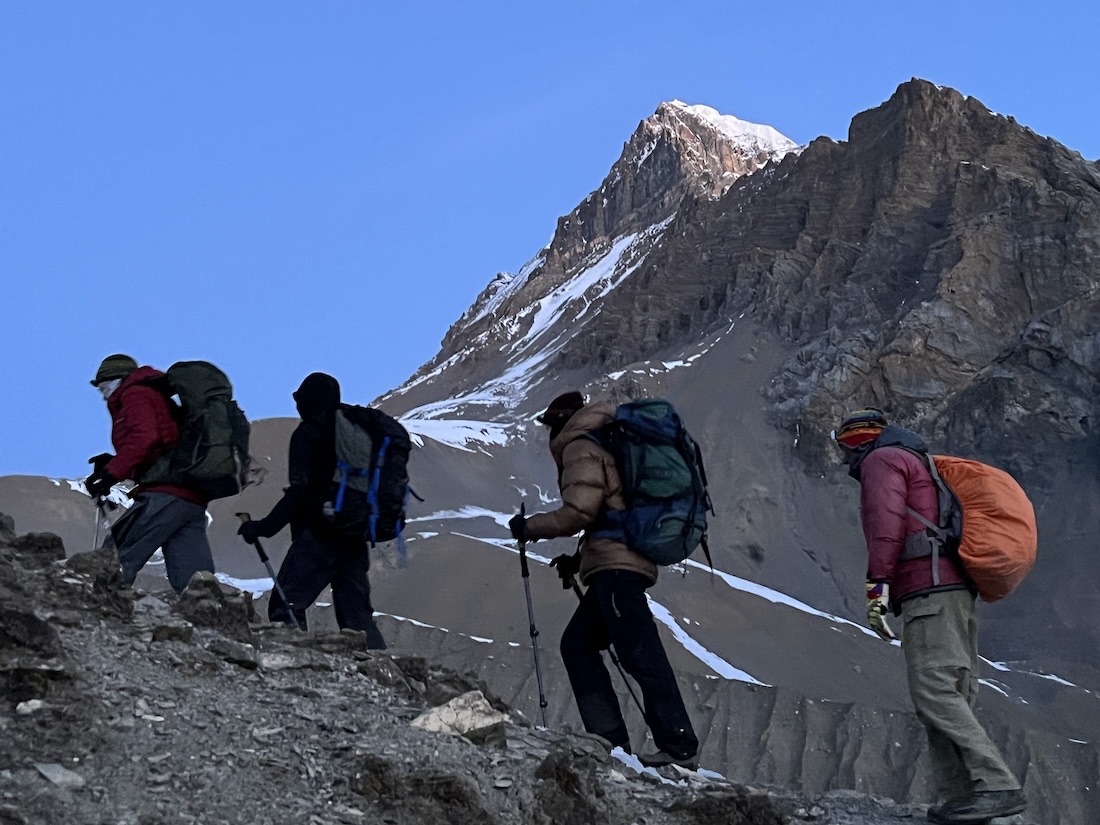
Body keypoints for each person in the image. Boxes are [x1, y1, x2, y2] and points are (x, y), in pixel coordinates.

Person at [834, 408, 1026, 824]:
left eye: (842, 448)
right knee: (948, 692)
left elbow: (885, 524)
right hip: (956, 592)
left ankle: (996, 785)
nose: (842, 459)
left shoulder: (882, 461)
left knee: (933, 690)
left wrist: (877, 587)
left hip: (929, 590)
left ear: (854, 442)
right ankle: (963, 798)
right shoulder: (914, 459)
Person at [509, 391, 699, 769]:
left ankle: (677, 748)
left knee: (639, 653)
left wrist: (530, 528)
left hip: (617, 570)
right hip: (617, 564)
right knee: (578, 645)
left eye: (549, 426)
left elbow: (580, 511)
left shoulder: (580, 444)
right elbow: (608, 512)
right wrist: (578, 560)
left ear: (558, 422)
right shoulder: (603, 438)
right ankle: (611, 744)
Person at [237, 372, 385, 648]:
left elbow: (300, 492)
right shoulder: (355, 436)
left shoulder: (308, 434)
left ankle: (296, 660)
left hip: (319, 536)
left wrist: (263, 527)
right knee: (357, 616)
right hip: (354, 537)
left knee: (286, 602)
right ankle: (384, 675)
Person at [85, 354, 215, 593]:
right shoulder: (154, 394)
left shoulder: (134, 393)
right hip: (189, 496)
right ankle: (214, 619)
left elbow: (145, 438)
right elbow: (160, 443)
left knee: (114, 554)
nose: (103, 394)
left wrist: (110, 474)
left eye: (104, 386)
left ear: (117, 380)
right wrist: (114, 462)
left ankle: (101, 609)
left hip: (164, 493)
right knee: (194, 580)